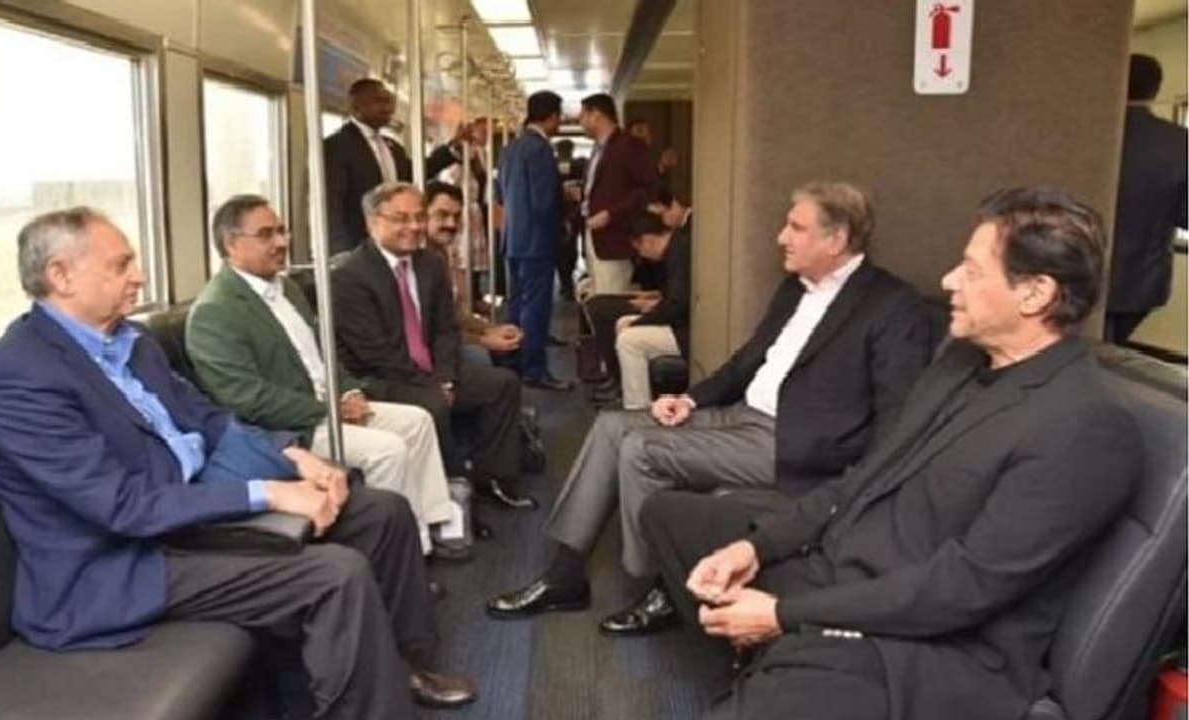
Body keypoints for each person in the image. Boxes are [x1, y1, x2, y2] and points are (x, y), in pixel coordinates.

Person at [641, 186, 1139, 720]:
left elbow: (961, 589)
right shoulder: (959, 361)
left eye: (971, 270)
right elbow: (863, 477)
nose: (949, 280)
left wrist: (784, 614)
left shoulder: (1084, 427)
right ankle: (771, 657)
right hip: (847, 570)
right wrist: (756, 549)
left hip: (924, 644)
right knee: (669, 517)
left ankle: (784, 661)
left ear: (1035, 294)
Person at [0, 208, 477, 719]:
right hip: (122, 563)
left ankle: (405, 664)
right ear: (61, 276)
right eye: (121, 265)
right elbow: (121, 505)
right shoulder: (19, 377)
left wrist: (293, 455)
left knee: (381, 513)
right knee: (335, 575)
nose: (139, 276)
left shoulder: (132, 342)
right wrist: (270, 492)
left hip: (189, 518)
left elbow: (207, 418)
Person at [487, 182, 932, 634]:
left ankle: (666, 585)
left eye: (796, 227)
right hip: (742, 415)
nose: (781, 237)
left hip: (794, 444)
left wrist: (859, 491)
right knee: (611, 426)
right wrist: (691, 399)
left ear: (835, 240)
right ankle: (565, 574)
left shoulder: (892, 307)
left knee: (641, 449)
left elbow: (898, 419)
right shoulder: (795, 288)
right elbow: (747, 361)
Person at [185, 194, 464, 561]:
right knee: (389, 451)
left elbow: (323, 355)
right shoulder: (214, 312)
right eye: (266, 235)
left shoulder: (288, 289)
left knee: (418, 421)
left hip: (327, 406)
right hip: (290, 427)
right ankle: (399, 554)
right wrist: (328, 409)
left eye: (282, 231)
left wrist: (348, 390)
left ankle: (432, 526)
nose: (281, 242)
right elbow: (246, 399)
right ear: (231, 245)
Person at [331, 182, 533, 510]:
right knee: (433, 404)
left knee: (502, 385)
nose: (414, 227)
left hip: (432, 372)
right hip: (380, 378)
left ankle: (494, 479)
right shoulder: (350, 276)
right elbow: (375, 353)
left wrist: (446, 378)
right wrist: (433, 385)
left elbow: (445, 330)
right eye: (401, 218)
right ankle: (452, 496)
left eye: (419, 217)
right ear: (372, 221)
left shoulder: (430, 264)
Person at [1105, 53, 1188, 345]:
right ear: (1156, 89)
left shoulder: (1086, 133)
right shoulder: (1180, 142)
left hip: (1073, 269)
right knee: (1109, 347)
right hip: (1141, 280)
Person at [496, 90, 573, 391]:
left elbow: (501, 194)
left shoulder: (510, 148)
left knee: (517, 305)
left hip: (514, 237)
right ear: (551, 116)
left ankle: (513, 360)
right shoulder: (540, 149)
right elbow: (543, 201)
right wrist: (563, 211)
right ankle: (535, 369)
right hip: (537, 239)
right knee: (536, 308)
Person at [422, 180, 523, 366]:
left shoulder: (441, 255)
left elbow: (454, 314)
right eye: (442, 215)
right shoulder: (419, 262)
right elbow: (430, 330)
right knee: (480, 356)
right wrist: (483, 340)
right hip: (427, 349)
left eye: (456, 216)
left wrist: (490, 329)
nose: (451, 223)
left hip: (446, 339)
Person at [579, 93, 660, 295]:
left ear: (596, 115)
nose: (580, 122)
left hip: (616, 235)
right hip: (593, 234)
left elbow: (648, 189)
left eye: (583, 116)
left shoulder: (629, 145)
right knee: (599, 296)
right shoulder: (598, 150)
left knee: (611, 297)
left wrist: (611, 213)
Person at [323, 78, 413, 253]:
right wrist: (340, 250)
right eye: (380, 102)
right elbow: (332, 202)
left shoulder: (392, 147)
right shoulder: (337, 146)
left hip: (395, 239)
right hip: (358, 244)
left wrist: (451, 150)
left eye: (388, 102)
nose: (388, 109)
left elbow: (415, 173)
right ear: (356, 106)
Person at [614, 211, 692, 409]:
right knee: (623, 323)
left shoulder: (679, 253)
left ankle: (637, 407)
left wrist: (639, 323)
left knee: (628, 340)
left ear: (647, 240)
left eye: (638, 248)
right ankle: (631, 393)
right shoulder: (677, 248)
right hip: (683, 322)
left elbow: (677, 304)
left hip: (688, 331)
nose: (641, 255)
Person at [556, 138, 587, 300]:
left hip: (575, 211)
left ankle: (568, 283)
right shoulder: (553, 167)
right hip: (562, 212)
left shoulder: (579, 166)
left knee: (570, 249)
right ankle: (566, 283)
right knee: (565, 250)